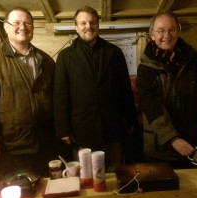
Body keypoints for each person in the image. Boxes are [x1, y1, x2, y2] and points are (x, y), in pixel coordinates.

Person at [0, 6, 57, 179]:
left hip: (44, 143)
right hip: (10, 147)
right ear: (6, 27)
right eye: (16, 23)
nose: (22, 27)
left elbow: (55, 98)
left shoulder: (46, 61)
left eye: (27, 23)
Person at [53, 6, 137, 172]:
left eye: (92, 22)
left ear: (98, 25)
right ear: (76, 27)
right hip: (82, 131)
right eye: (83, 23)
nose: (88, 26)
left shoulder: (114, 53)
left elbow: (125, 90)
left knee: (115, 173)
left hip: (112, 128)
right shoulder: (65, 57)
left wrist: (131, 119)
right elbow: (60, 95)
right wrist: (63, 129)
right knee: (86, 178)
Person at [136, 11, 197, 169]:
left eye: (172, 30)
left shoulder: (192, 58)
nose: (167, 35)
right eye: (161, 31)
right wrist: (173, 138)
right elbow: (152, 107)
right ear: (152, 35)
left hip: (192, 142)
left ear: (178, 31)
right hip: (160, 148)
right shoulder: (145, 68)